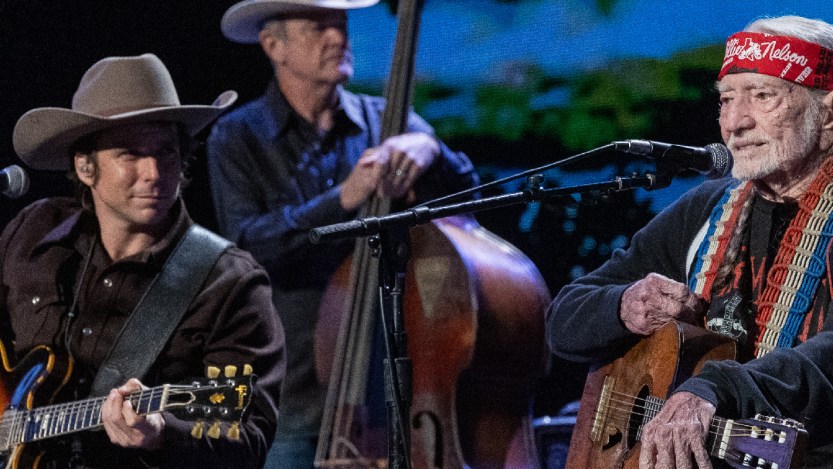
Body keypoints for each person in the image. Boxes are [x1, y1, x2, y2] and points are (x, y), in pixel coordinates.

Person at [546, 15, 833, 469]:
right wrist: (624, 305)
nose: (735, 123)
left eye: (762, 96)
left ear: (828, 114)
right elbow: (564, 320)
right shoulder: (707, 208)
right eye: (725, 100)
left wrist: (716, 387)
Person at [206, 0, 478, 467]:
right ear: (274, 46)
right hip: (293, 393)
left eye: (341, 25)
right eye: (317, 28)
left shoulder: (385, 121)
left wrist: (429, 148)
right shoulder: (236, 138)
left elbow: (468, 205)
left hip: (392, 385)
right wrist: (343, 199)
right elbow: (248, 248)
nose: (338, 38)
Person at [4, 53, 285, 468]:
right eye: (131, 154)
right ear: (85, 166)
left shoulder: (229, 282)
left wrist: (161, 435)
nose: (154, 171)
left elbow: (248, 436)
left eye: (166, 152)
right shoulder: (35, 230)